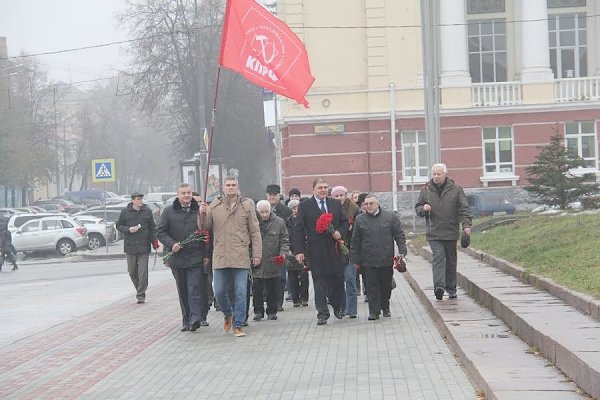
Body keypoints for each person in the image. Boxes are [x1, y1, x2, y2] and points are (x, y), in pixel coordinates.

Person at [199, 176, 262, 338]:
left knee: (241, 292)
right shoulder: (215, 205)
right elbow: (204, 227)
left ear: (237, 187)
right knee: (219, 291)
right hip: (220, 255)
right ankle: (228, 314)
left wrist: (256, 254)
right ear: (223, 187)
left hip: (240, 255)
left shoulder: (246, 205)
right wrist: (202, 214)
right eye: (228, 185)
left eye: (234, 185)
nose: (231, 187)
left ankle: (238, 324)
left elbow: (255, 231)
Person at [293, 177, 349, 326]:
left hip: (335, 250)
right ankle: (322, 313)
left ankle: (338, 307)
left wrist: (339, 232)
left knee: (337, 280)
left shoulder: (335, 204)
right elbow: (298, 229)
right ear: (313, 189)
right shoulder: (305, 206)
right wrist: (299, 250)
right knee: (319, 282)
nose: (323, 190)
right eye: (320, 187)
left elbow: (345, 222)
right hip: (316, 251)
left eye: (325, 187)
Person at [415, 163, 472, 301]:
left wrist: (466, 226)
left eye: (438, 174)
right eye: (434, 174)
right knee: (438, 257)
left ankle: (451, 288)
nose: (435, 176)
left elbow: (464, 209)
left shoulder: (456, 189)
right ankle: (439, 287)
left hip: (451, 231)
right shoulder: (426, 190)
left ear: (445, 174)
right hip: (434, 232)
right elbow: (417, 208)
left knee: (451, 261)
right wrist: (423, 208)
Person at [158, 184, 210, 331]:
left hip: (195, 255)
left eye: (189, 193)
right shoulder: (168, 211)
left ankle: (195, 318)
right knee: (183, 290)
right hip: (177, 257)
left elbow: (205, 232)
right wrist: (172, 244)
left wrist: (206, 254)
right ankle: (186, 319)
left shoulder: (199, 210)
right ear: (178, 195)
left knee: (195, 288)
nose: (187, 195)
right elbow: (160, 232)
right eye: (183, 193)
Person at [351, 194, 407, 320]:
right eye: (366, 204)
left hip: (385, 258)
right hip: (368, 260)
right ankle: (374, 312)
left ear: (378, 204)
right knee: (371, 287)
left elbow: (399, 235)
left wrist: (402, 251)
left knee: (386, 286)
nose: (369, 206)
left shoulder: (390, 217)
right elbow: (355, 240)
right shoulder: (360, 219)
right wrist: (354, 258)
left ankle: (385, 306)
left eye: (371, 203)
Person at [116, 192, 159, 304]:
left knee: (143, 272)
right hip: (130, 246)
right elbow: (118, 225)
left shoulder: (147, 211)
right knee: (132, 271)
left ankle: (141, 294)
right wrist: (128, 229)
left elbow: (152, 227)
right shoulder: (125, 212)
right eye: (138, 199)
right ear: (133, 200)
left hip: (144, 245)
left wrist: (154, 240)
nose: (141, 201)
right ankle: (139, 288)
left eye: (141, 199)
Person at [252, 200, 290, 321]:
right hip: (257, 262)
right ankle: (258, 311)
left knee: (273, 288)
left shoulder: (279, 222)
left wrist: (283, 254)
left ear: (270, 210)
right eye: (261, 212)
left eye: (266, 212)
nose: (264, 215)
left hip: (273, 261)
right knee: (257, 289)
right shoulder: (252, 222)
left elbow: (284, 240)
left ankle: (272, 311)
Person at [330, 185, 359, 318]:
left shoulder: (354, 208)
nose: (340, 198)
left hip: (350, 248)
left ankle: (351, 309)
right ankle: (341, 307)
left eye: (342, 195)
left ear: (346, 195)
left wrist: (351, 228)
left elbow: (360, 228)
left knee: (350, 279)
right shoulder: (329, 208)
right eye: (337, 195)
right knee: (337, 281)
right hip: (334, 250)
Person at [265, 184, 292, 311]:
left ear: (279, 196)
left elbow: (291, 229)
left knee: (280, 277)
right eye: (270, 195)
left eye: (274, 195)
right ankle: (269, 301)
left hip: (280, 247)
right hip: (266, 249)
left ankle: (278, 303)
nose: (272, 197)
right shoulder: (262, 209)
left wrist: (288, 248)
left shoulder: (286, 211)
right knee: (266, 277)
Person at [286, 199, 309, 307]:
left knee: (304, 275)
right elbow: (286, 236)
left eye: (297, 207)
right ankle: (295, 299)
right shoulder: (288, 221)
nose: (296, 210)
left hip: (303, 250)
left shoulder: (304, 220)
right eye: (293, 208)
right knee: (292, 276)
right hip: (291, 251)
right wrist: (289, 249)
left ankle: (304, 298)